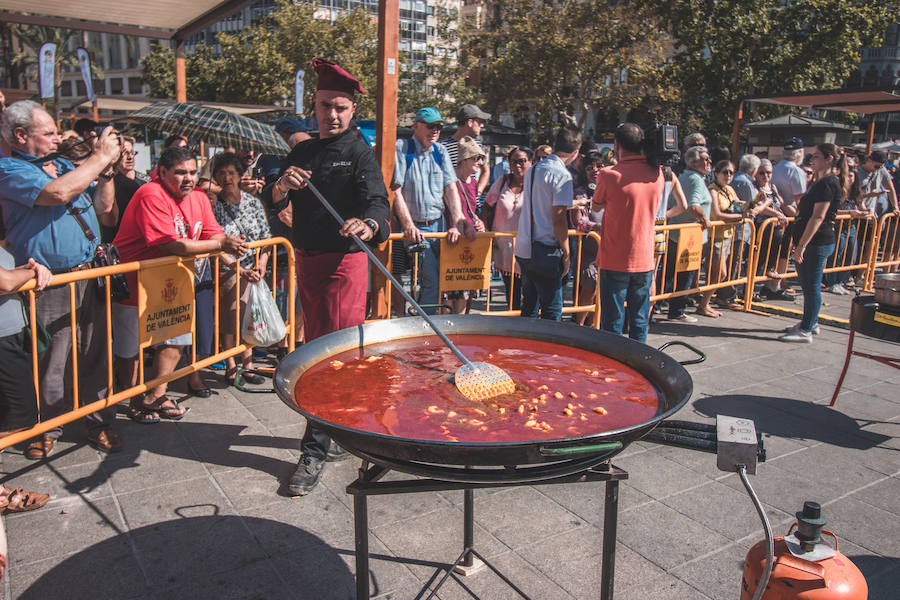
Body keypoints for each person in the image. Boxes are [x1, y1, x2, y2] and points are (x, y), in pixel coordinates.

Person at [262, 57, 391, 496]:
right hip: (307, 262)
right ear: (313, 107)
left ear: (353, 109)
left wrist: (368, 226)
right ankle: (342, 430)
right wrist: (281, 187)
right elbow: (270, 197)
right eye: (323, 106)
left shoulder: (359, 152)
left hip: (343, 265)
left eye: (339, 107)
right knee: (323, 351)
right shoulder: (302, 151)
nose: (331, 115)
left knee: (322, 357)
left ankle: (315, 448)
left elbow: (378, 204)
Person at [0, 100, 123, 457]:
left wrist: (107, 173)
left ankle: (100, 421)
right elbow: (57, 194)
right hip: (48, 281)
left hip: (90, 273)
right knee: (53, 357)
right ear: (21, 135)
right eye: (49, 132)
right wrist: (98, 158)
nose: (57, 138)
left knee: (95, 352)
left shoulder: (66, 166)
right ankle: (46, 425)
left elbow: (103, 209)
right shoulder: (9, 169)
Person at [112, 146, 248, 422]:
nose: (188, 178)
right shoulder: (150, 193)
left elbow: (214, 232)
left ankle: (155, 396)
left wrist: (229, 250)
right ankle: (133, 397)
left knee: (176, 340)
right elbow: (173, 245)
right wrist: (220, 243)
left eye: (193, 172)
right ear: (161, 173)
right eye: (180, 173)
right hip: (133, 282)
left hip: (171, 284)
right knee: (131, 350)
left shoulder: (198, 198)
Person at [392, 107, 474, 314]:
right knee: (432, 280)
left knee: (446, 280)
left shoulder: (441, 151)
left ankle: (432, 321)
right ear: (416, 126)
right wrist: (408, 225)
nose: (436, 130)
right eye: (431, 126)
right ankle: (427, 327)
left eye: (439, 126)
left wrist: (457, 220)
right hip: (417, 228)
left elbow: (450, 187)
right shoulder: (402, 148)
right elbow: (396, 190)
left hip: (439, 225)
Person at [591, 123, 663, 342]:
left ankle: (614, 370)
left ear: (617, 145)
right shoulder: (657, 173)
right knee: (640, 322)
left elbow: (596, 205)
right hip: (644, 259)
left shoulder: (608, 174)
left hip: (615, 259)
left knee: (612, 323)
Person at [211, 152, 272, 384]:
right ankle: (230, 364)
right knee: (230, 319)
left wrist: (262, 264)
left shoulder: (253, 203)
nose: (227, 178)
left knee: (250, 317)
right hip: (229, 270)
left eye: (231, 173)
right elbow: (217, 245)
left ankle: (248, 364)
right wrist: (238, 269)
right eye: (221, 173)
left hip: (254, 269)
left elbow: (266, 237)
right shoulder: (215, 207)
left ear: (239, 175)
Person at [0, 251, 53, 515]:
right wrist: (32, 273)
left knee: (18, 416)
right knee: (21, 416)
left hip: (10, 333)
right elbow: (5, 282)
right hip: (2, 339)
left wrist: (25, 272)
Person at [780, 143, 848, 343]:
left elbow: (818, 217)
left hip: (817, 242)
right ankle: (810, 322)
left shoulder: (827, 183)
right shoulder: (821, 182)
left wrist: (802, 244)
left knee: (811, 286)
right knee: (809, 284)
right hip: (814, 241)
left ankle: (807, 329)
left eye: (817, 156)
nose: (812, 159)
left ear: (829, 159)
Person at [514, 125, 580, 321]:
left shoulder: (534, 169)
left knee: (530, 306)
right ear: (575, 152)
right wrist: (567, 252)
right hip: (546, 250)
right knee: (551, 310)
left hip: (525, 248)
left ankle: (527, 349)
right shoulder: (562, 175)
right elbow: (558, 217)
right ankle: (546, 351)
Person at [666, 145, 713, 322]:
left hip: (678, 233)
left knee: (671, 274)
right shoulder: (695, 179)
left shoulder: (687, 177)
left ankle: (665, 307)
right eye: (705, 159)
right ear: (693, 163)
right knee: (684, 274)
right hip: (688, 236)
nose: (709, 162)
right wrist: (704, 219)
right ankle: (677, 310)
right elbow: (693, 205)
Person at [483, 146, 531, 311]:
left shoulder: (535, 185)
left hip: (528, 249)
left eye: (522, 161)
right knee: (512, 294)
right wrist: (487, 236)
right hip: (504, 249)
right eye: (514, 162)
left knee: (531, 294)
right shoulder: (502, 181)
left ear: (530, 163)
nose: (518, 166)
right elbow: (487, 207)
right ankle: (514, 326)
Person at [700, 160, 746, 316]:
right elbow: (716, 215)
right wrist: (740, 216)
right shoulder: (713, 191)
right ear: (716, 174)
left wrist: (755, 203)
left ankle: (704, 303)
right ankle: (703, 304)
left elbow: (741, 206)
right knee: (720, 274)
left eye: (731, 172)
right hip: (715, 237)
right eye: (724, 172)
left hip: (727, 235)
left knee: (717, 274)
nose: (728, 175)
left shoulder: (730, 190)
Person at [447, 136, 487, 314]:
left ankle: (460, 330)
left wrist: (479, 221)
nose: (480, 162)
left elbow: (473, 208)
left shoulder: (474, 182)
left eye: (481, 158)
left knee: (464, 291)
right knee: (447, 292)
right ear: (464, 159)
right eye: (476, 158)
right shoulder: (449, 180)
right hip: (452, 238)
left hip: (470, 240)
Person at [754, 159, 793, 300]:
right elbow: (760, 207)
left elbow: (780, 203)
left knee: (774, 259)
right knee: (759, 260)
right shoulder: (755, 188)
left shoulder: (773, 188)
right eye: (762, 173)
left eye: (769, 172)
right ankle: (750, 290)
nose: (765, 176)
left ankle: (770, 287)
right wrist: (778, 214)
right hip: (762, 228)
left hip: (777, 229)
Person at [824, 169, 866, 295]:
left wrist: (866, 212)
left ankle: (840, 282)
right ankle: (832, 282)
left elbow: (862, 207)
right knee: (836, 255)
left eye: (852, 176)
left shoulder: (855, 193)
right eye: (848, 176)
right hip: (838, 227)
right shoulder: (839, 191)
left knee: (850, 256)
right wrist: (849, 213)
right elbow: (831, 210)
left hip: (851, 227)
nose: (849, 179)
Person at [440, 104, 492, 194]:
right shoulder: (442, 147)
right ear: (469, 122)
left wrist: (478, 192)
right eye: (479, 122)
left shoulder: (478, 146)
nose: (482, 125)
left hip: (471, 204)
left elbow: (486, 170)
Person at [101, 137, 144, 243]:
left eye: (132, 152)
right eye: (124, 153)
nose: (130, 157)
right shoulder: (103, 184)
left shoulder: (144, 182)